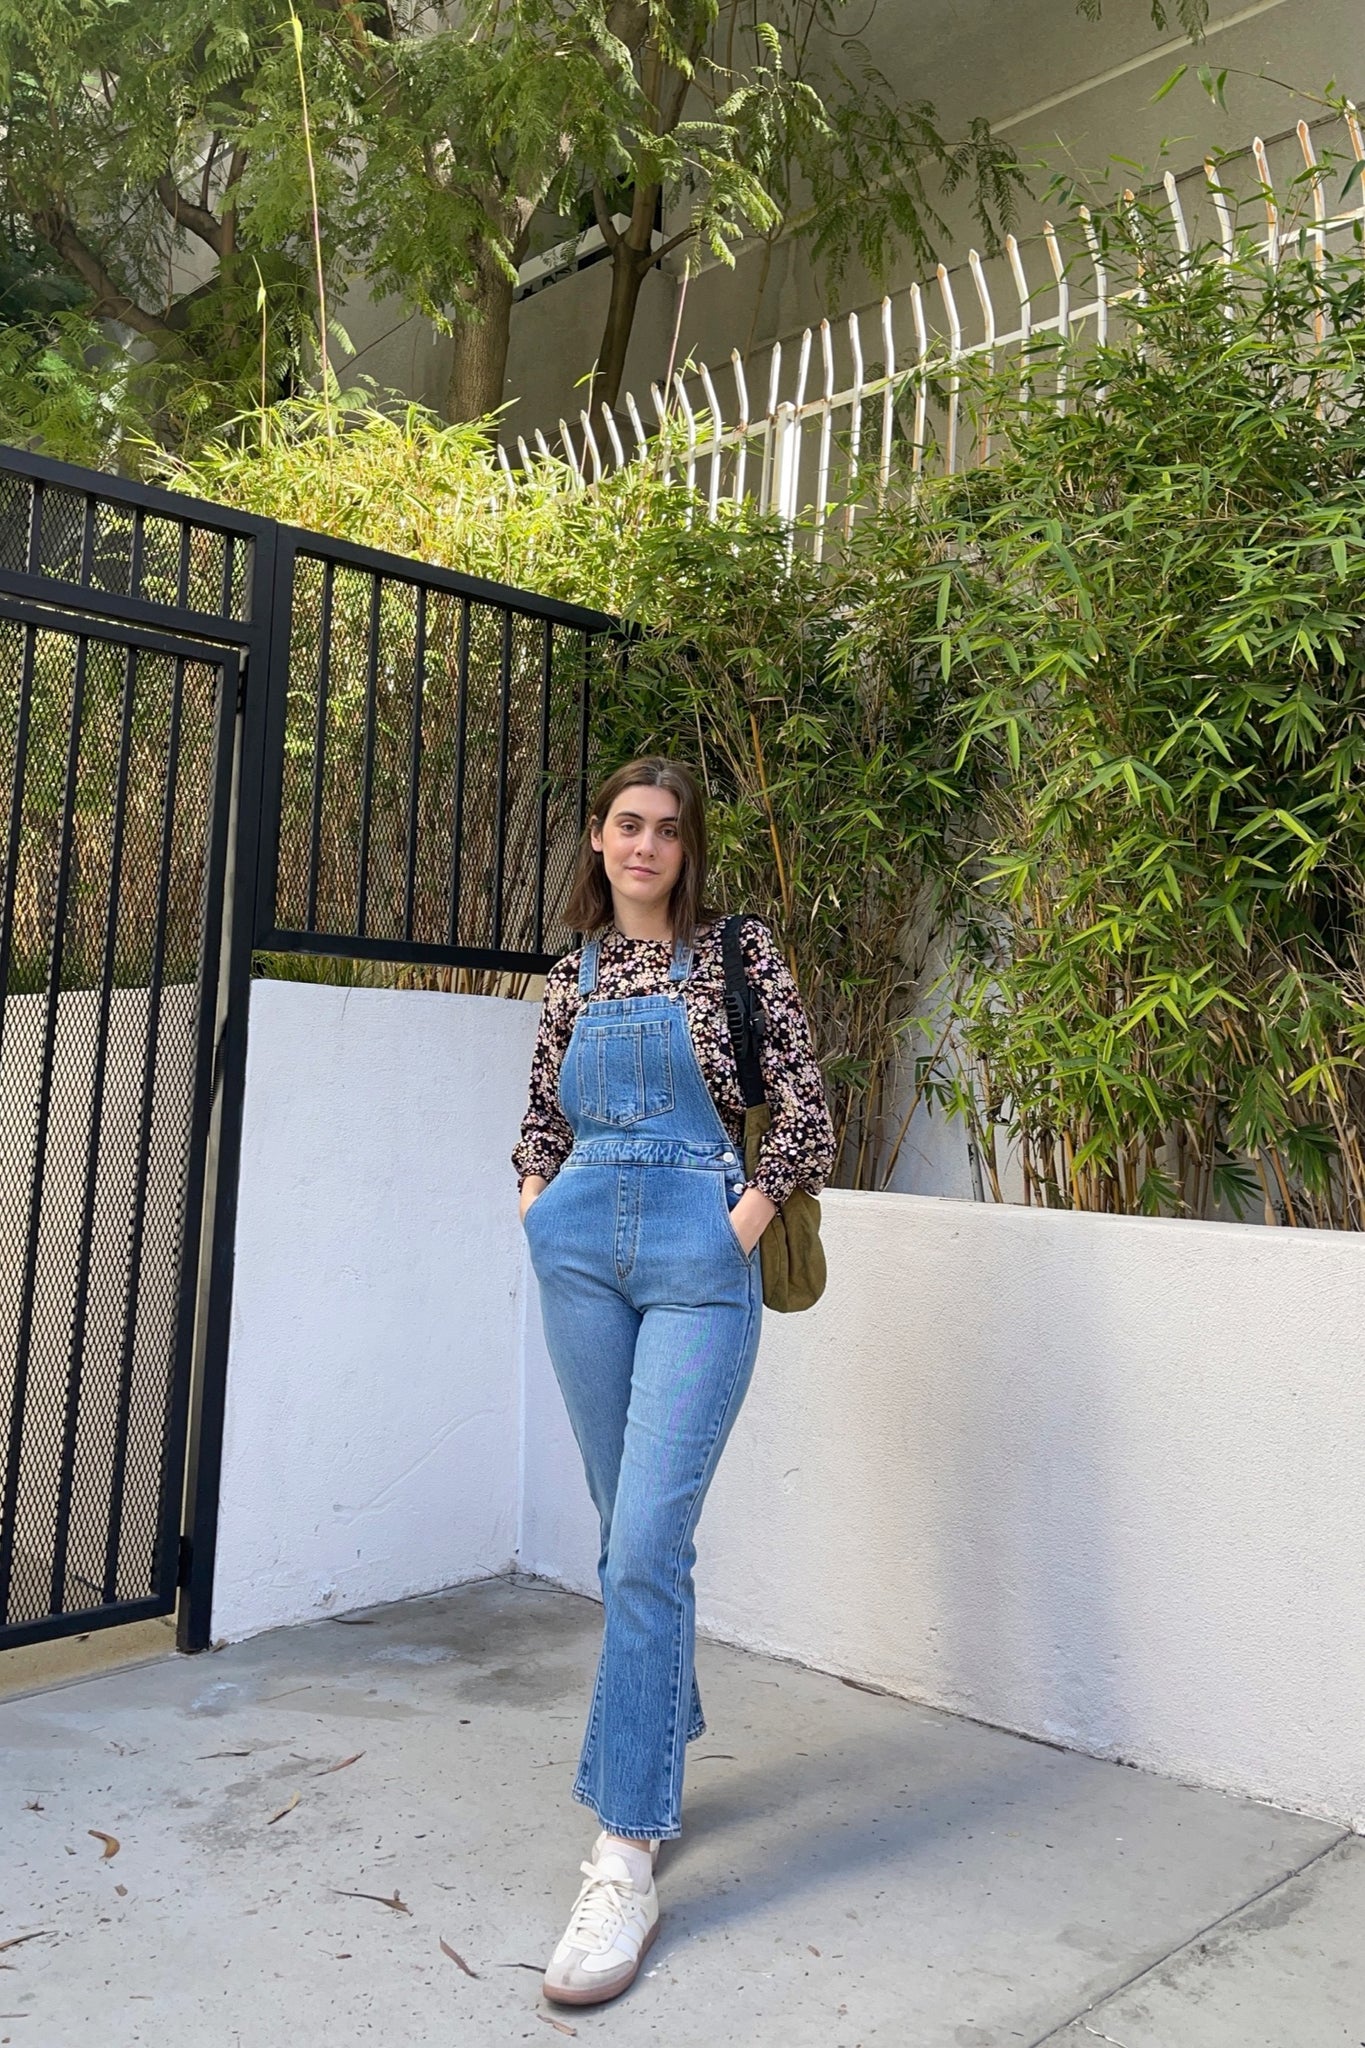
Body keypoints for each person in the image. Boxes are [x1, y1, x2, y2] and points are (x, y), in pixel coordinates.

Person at [512, 754, 835, 2008]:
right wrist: (536, 1209)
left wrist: (735, 1227)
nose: (644, 844)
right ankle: (658, 1719)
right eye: (625, 824)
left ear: (687, 848)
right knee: (626, 1536)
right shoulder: (572, 979)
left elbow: (804, 1110)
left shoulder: (738, 956)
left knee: (647, 1540)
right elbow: (542, 1122)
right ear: (598, 841)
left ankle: (625, 1853)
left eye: (665, 828)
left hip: (702, 1264)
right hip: (580, 1260)